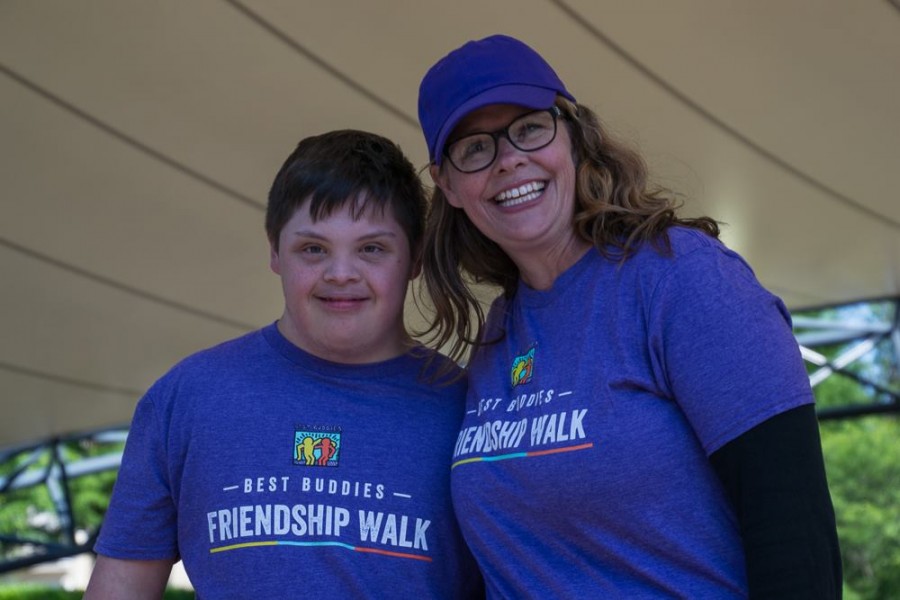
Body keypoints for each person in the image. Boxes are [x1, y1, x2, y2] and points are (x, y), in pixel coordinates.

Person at [416, 34, 841, 598]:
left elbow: (795, 532)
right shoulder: (499, 332)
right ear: (447, 184)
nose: (510, 159)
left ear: (574, 136)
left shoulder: (680, 277)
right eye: (475, 149)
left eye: (530, 128)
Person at [84, 130, 483, 599]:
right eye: (313, 249)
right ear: (274, 250)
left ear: (415, 256)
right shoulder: (186, 398)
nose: (341, 274)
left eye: (372, 248)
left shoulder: (471, 409)